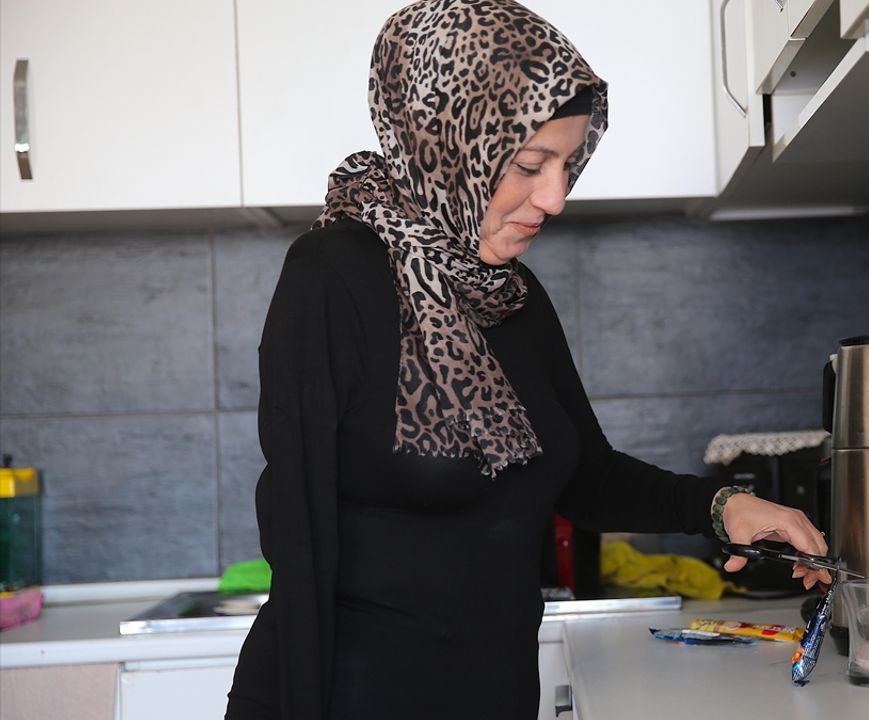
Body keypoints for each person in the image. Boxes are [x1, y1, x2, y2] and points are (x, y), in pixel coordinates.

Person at [224, 1, 831, 718]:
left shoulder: (512, 294)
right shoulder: (332, 276)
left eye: (568, 165)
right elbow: (298, 530)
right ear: (449, 141)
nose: (555, 198)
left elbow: (587, 476)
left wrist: (723, 505)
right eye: (529, 164)